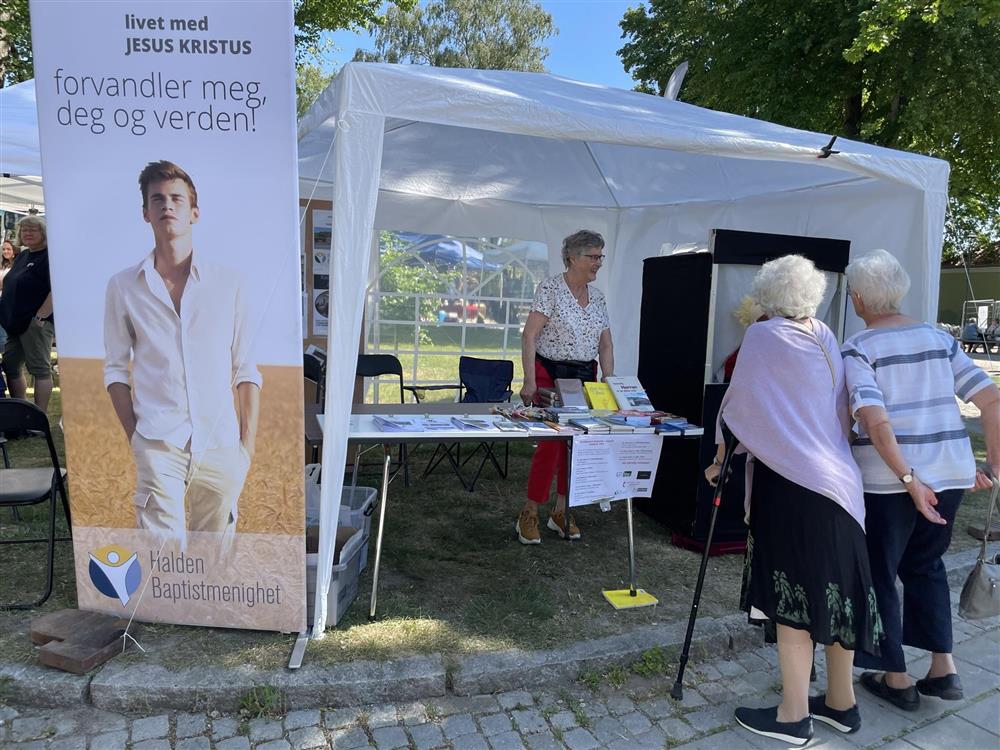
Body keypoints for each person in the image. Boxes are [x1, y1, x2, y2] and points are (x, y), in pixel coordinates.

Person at [705, 255, 881, 746]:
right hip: (842, 487)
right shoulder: (824, 334)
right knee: (838, 596)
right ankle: (841, 705)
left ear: (768, 293)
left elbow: (740, 404)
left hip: (793, 483)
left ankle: (793, 715)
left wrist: (720, 460)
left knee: (793, 603)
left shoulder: (765, 336)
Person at [842, 249, 1000, 710]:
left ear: (857, 299)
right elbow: (991, 401)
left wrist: (910, 478)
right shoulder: (939, 338)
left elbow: (876, 423)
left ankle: (895, 678)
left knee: (881, 572)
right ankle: (943, 667)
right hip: (949, 476)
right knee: (926, 566)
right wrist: (992, 467)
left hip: (890, 481)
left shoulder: (860, 347)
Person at [104, 160, 262, 547]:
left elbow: (246, 370)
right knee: (165, 555)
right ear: (145, 212)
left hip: (221, 442)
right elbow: (115, 371)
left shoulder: (230, 283)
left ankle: (206, 611)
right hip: (158, 441)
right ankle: (166, 612)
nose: (166, 206)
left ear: (195, 211)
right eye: (157, 199)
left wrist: (246, 448)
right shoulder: (123, 286)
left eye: (177, 198)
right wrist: (137, 439)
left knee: (214, 555)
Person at [516, 230, 614, 544]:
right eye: (593, 256)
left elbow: (606, 344)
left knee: (578, 445)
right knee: (550, 443)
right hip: (550, 374)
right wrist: (529, 380)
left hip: (585, 376)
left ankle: (561, 511)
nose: (598, 263)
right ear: (573, 257)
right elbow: (529, 335)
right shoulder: (551, 288)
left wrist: (609, 384)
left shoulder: (597, 297)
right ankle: (529, 512)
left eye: (600, 256)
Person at [0, 217, 55, 412]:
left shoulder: (51, 256)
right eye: (24, 231)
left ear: (44, 233)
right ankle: (22, 411)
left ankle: (38, 417)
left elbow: (57, 288)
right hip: (15, 322)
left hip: (35, 322)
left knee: (39, 369)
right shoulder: (23, 256)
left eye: (33, 230)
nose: (28, 234)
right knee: (10, 364)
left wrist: (41, 316)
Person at [0, 239, 22, 354]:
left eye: (8, 249)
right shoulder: (3, 265)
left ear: (14, 250)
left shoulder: (17, 265)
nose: (5, 251)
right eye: (3, 249)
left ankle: (4, 355)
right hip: (1, 299)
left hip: (7, 302)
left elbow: (7, 284)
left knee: (3, 333)